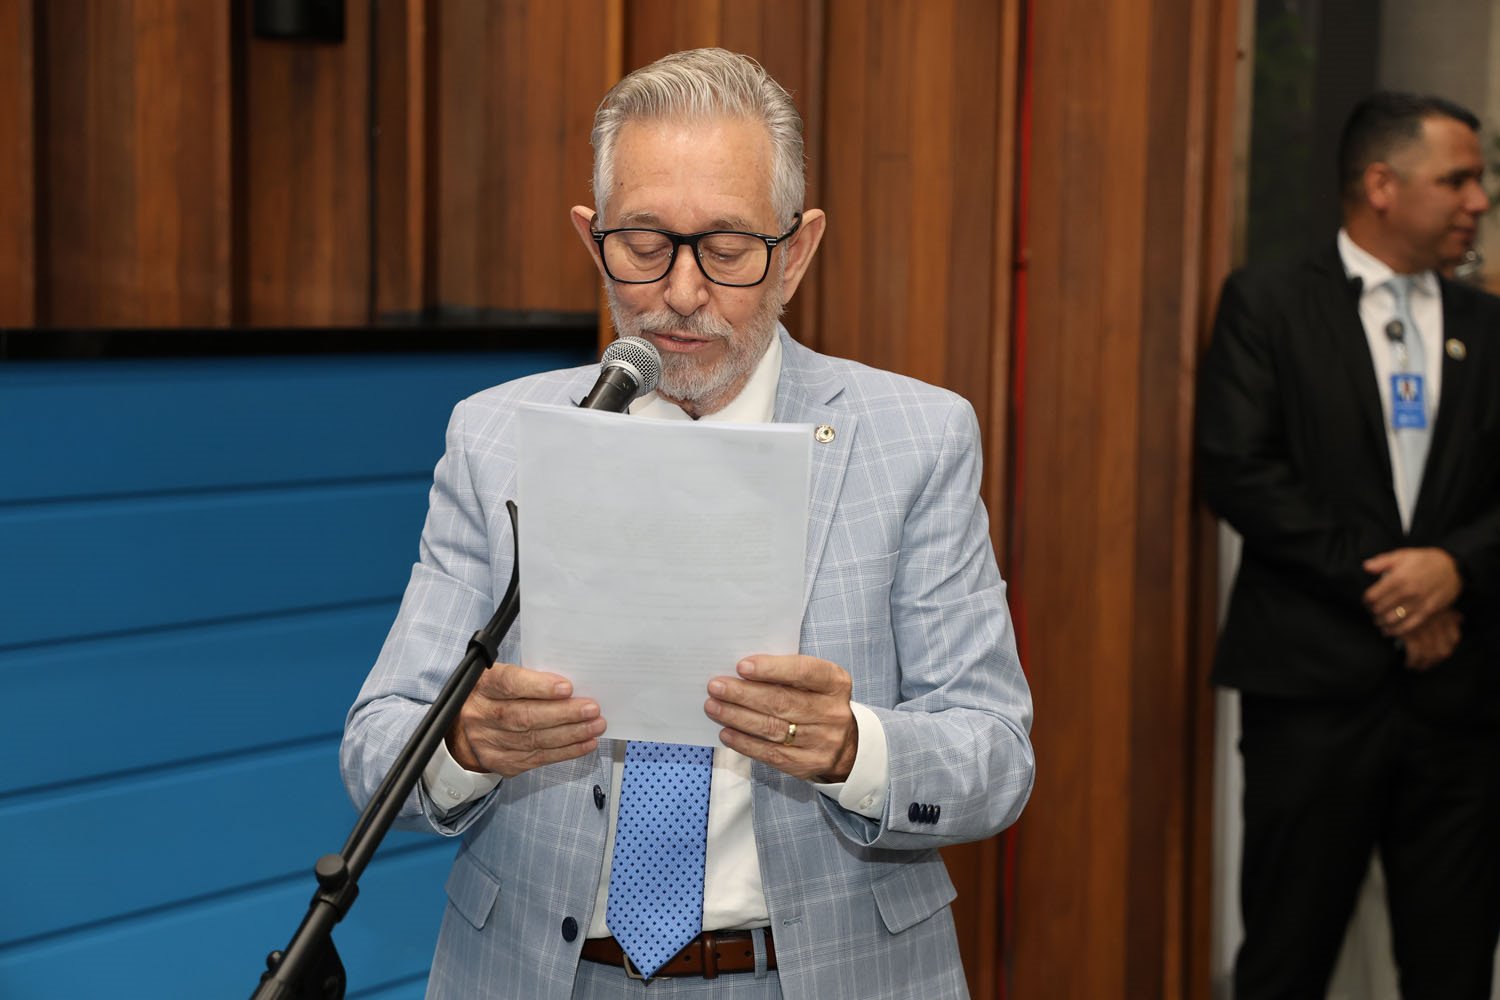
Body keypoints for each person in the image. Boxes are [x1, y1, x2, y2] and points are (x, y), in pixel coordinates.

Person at [341, 48, 1034, 999]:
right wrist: (467, 744)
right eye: (644, 243)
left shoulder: (917, 439)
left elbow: (996, 755)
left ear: (797, 252)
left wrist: (853, 748)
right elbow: (376, 747)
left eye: (728, 248)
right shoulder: (494, 438)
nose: (681, 290)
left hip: (818, 974)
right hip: (544, 976)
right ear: (592, 239)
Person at [1197, 91, 1500, 999]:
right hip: (1311, 694)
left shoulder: (1489, 325)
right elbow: (1240, 471)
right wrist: (1402, 593)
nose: (1479, 201)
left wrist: (1454, 570)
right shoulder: (1269, 302)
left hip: (1461, 704)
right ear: (1381, 184)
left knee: (1453, 969)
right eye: (1458, 179)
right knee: (1285, 960)